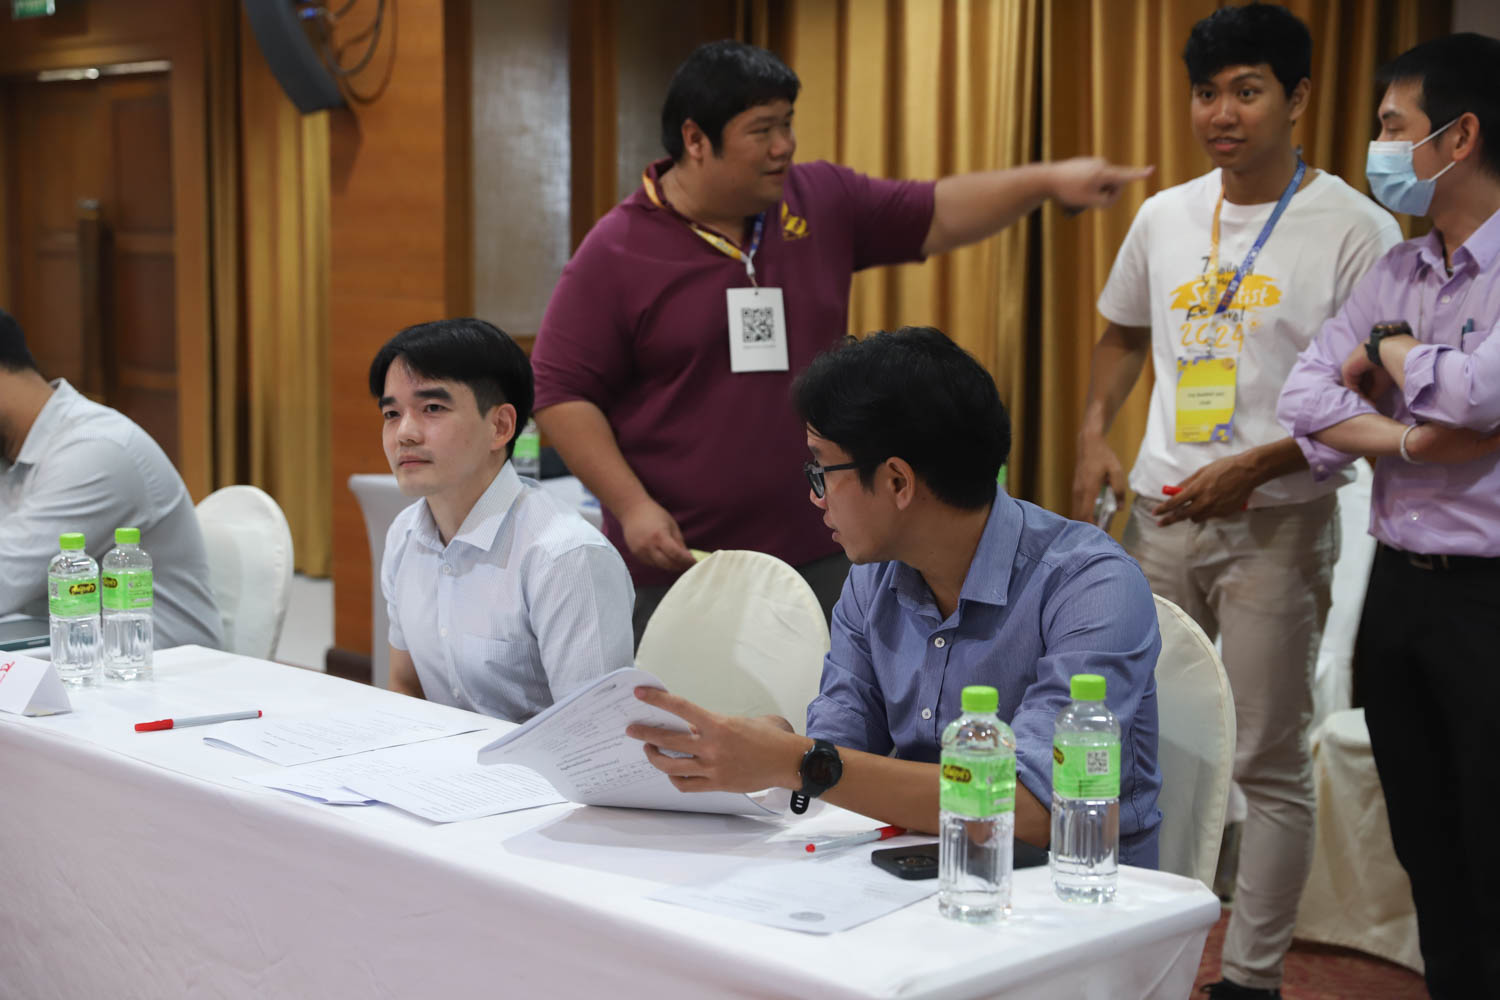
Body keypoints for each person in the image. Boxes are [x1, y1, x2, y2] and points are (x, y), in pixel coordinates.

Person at [531, 39, 1152, 644]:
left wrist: (1048, 181)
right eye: (762, 130)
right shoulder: (618, 249)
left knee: (831, 708)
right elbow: (559, 391)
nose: (784, 145)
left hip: (828, 546)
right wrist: (631, 506)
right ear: (695, 140)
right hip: (685, 565)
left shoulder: (817, 199)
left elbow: (937, 210)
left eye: (787, 123)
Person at [1068, 7, 1402, 996]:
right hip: (1161, 518)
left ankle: (1249, 978)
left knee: (1265, 761)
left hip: (1277, 525)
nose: (1222, 113)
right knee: (1140, 738)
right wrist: (1093, 433)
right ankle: (1130, 950)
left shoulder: (1358, 228)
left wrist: (1256, 467)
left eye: (1247, 91)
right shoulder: (1166, 215)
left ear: (1297, 99)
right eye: (1206, 92)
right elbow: (1122, 334)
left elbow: (1375, 396)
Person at [625, 327, 1162, 864]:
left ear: (898, 482)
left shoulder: (1091, 585)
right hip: (917, 872)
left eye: (822, 470)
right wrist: (778, 747)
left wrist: (799, 761)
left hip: (1070, 889)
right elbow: (840, 755)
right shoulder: (873, 579)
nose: (815, 497)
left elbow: (1028, 810)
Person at [1277, 33, 1500, 1000]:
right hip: (1402, 589)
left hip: (1490, 598)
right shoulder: (1399, 268)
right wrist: (1412, 441)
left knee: (1492, 842)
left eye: (1391, 127)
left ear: (1460, 136)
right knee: (1425, 839)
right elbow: (1304, 397)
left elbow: (1482, 395)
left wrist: (1393, 353)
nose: (1378, 148)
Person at [372, 318, 634, 723]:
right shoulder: (404, 534)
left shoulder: (565, 556)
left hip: (545, 766)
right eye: (391, 413)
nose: (404, 433)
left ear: (500, 426)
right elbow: (406, 686)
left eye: (432, 408)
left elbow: (593, 736)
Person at [0, 309, 222, 650]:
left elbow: (5, 579)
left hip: (158, 669)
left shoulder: (96, 451)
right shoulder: (13, 451)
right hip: (71, 655)